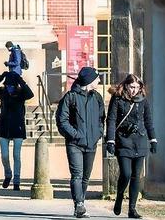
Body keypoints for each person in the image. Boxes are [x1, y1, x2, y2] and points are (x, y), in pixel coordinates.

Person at [56, 67, 106, 218]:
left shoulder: (97, 97)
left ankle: (81, 203)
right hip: (75, 143)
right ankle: (79, 204)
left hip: (91, 143)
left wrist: (98, 133)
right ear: (89, 80)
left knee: (85, 177)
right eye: (97, 78)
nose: (99, 80)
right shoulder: (70, 97)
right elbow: (61, 120)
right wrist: (75, 135)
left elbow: (101, 118)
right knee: (77, 174)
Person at [105, 74, 156, 219]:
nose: (134, 90)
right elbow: (112, 120)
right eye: (132, 87)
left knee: (136, 176)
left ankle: (132, 209)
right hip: (123, 141)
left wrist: (153, 139)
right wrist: (110, 141)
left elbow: (148, 121)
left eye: (137, 87)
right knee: (126, 174)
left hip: (140, 141)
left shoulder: (143, 100)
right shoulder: (118, 98)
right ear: (126, 85)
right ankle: (120, 196)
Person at [0, 70, 34, 191]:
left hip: (18, 127)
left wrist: (20, 80)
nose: (9, 88)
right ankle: (8, 174)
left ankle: (17, 180)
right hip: (4, 127)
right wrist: (1, 76)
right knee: (4, 155)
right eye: (7, 85)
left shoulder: (22, 93)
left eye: (11, 86)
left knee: (16, 155)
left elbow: (30, 94)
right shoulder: (2, 92)